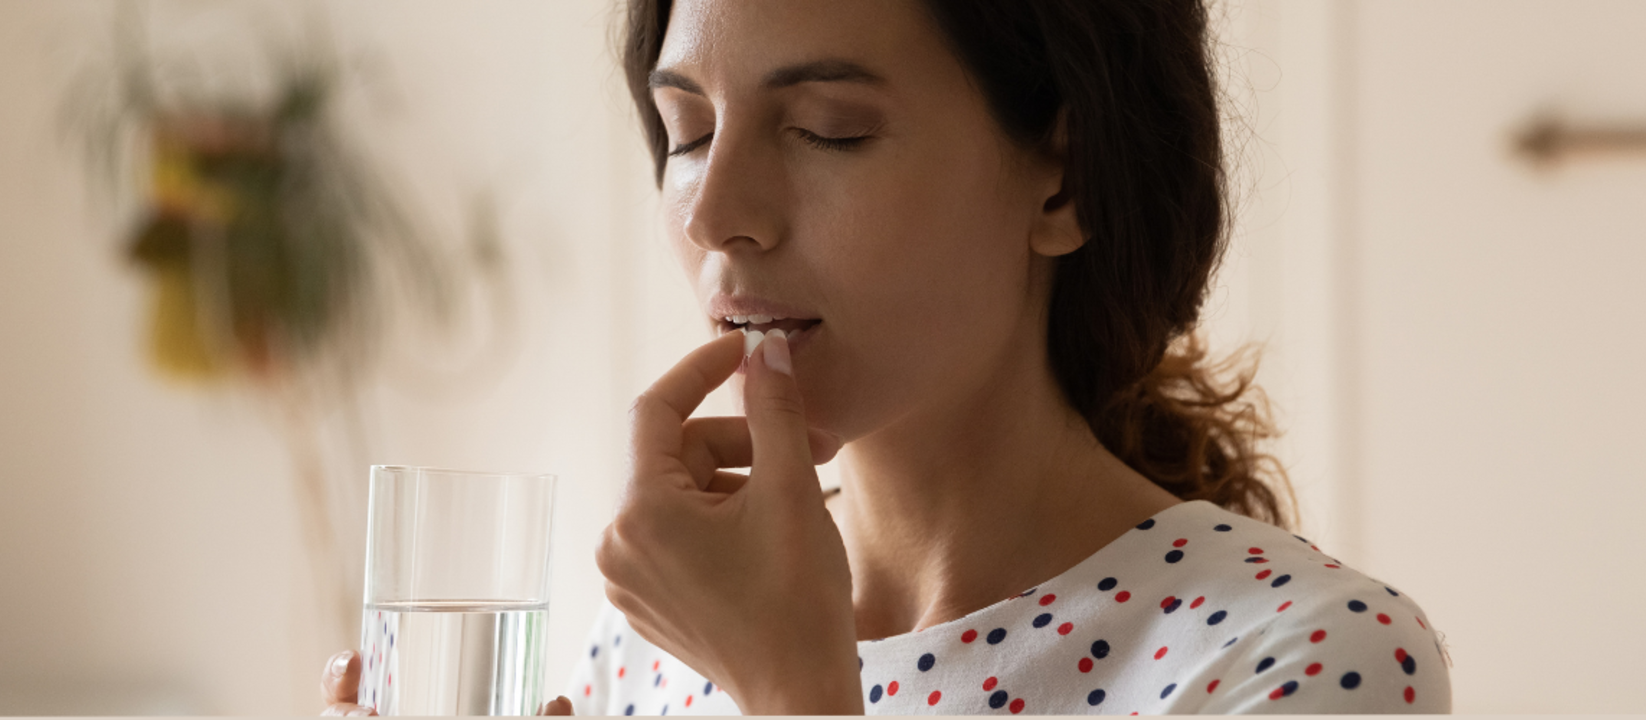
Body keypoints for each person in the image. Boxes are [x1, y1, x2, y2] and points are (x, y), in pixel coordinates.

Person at [322, 0, 1450, 714]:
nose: (715, 214)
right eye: (689, 134)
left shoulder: (1297, 657)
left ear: (1064, 180)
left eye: (828, 130)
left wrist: (790, 690)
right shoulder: (656, 639)